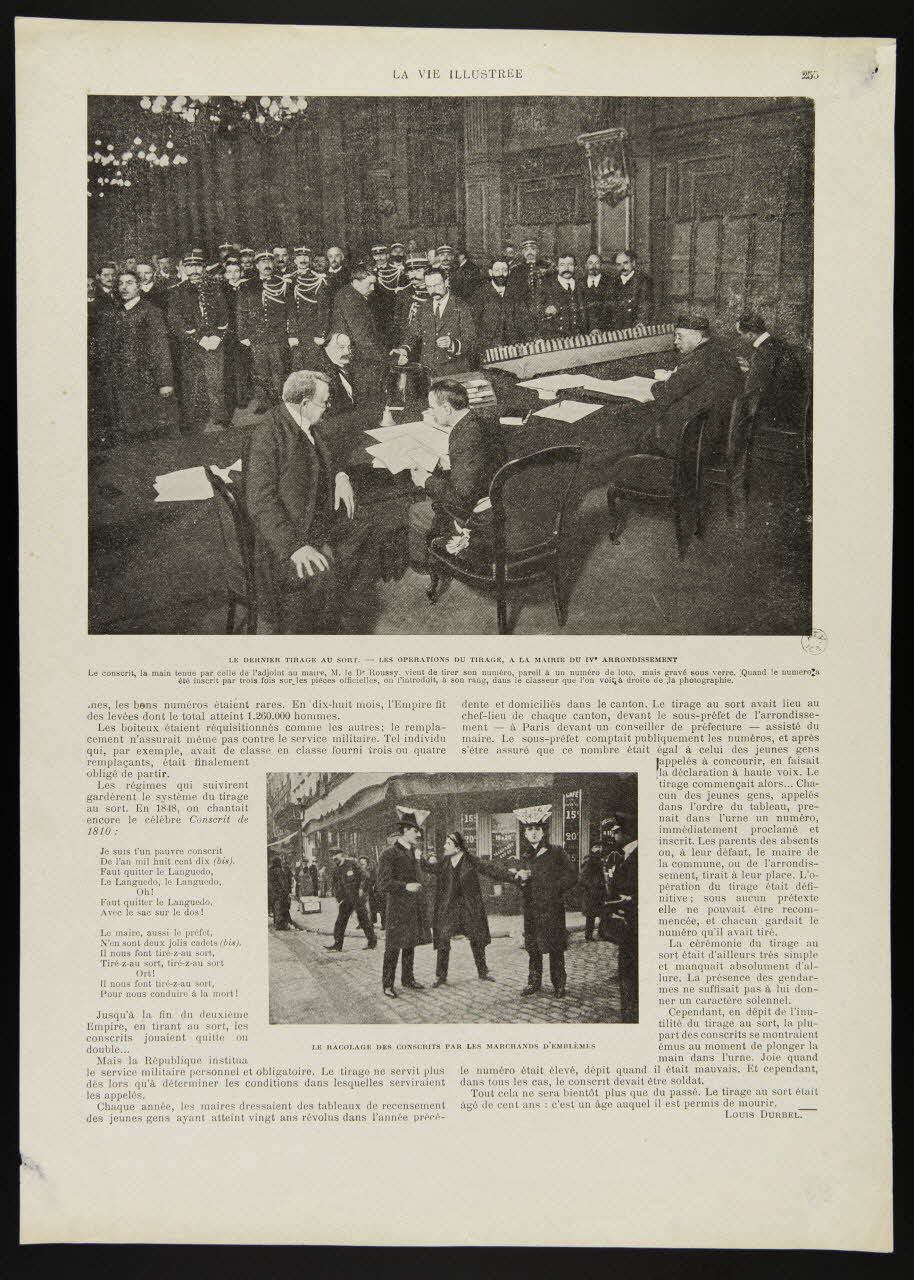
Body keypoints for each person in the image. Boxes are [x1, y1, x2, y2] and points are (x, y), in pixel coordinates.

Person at [243, 369, 373, 634]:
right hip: (287, 537)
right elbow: (260, 502)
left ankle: (341, 606)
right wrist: (294, 547)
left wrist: (340, 476)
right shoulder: (267, 435)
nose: (328, 407)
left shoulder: (305, 421)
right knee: (321, 574)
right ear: (303, 403)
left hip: (313, 518)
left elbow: (327, 452)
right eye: (324, 402)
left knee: (364, 526)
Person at [408, 378, 507, 564]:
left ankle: (420, 570)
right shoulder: (481, 420)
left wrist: (425, 481)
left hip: (480, 512)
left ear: (446, 408)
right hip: (496, 497)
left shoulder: (464, 436)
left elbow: (460, 497)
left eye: (432, 408)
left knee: (416, 511)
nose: (431, 413)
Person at [643, 315, 744, 461]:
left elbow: (666, 393)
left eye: (680, 336)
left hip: (699, 439)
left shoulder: (699, 359)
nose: (675, 342)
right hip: (722, 432)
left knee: (644, 435)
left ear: (697, 338)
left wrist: (656, 384)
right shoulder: (723, 352)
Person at [424, 832, 508, 986]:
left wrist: (513, 876)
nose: (444, 846)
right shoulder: (445, 862)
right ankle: (441, 976)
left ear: (458, 847)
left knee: (476, 938)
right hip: (449, 909)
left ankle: (483, 971)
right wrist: (417, 858)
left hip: (468, 908)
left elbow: (490, 869)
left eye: (448, 844)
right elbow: (430, 868)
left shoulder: (470, 860)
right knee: (443, 938)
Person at [512, 806, 577, 997]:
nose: (533, 833)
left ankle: (559, 984)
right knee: (533, 947)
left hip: (552, 908)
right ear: (525, 833)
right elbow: (521, 882)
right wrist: (520, 879)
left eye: (537, 829)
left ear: (543, 832)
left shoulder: (556, 851)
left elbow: (572, 875)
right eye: (529, 829)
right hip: (532, 909)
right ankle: (534, 982)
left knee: (555, 947)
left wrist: (554, 889)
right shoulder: (524, 856)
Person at [104, 271, 176, 443]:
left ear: (139, 286)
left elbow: (161, 347)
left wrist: (165, 381)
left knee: (147, 429)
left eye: (129, 282)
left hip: (145, 380)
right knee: (128, 429)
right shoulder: (117, 312)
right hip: (122, 380)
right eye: (121, 283)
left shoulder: (151, 311)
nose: (124, 287)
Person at [167, 251, 231, 433]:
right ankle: (190, 419)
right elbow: (175, 321)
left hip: (215, 343)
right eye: (190, 266)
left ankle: (220, 416)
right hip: (191, 345)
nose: (194, 270)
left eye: (198, 266)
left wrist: (218, 337)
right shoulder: (177, 291)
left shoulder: (215, 288)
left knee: (216, 381)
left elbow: (224, 314)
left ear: (203, 268)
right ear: (184, 268)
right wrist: (198, 339)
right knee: (191, 383)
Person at [377, 810, 432, 998]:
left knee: (410, 944)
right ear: (406, 831)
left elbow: (426, 871)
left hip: (413, 908)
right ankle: (387, 984)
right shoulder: (389, 854)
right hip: (397, 909)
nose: (419, 835)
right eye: (416, 831)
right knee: (393, 947)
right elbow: (383, 884)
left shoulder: (414, 853)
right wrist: (405, 886)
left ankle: (407, 979)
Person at [236, 252, 294, 412]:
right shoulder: (246, 286)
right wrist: (243, 335)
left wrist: (291, 333)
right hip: (257, 336)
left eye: (269, 261)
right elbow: (242, 312)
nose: (267, 265)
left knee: (278, 369)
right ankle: (264, 402)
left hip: (278, 335)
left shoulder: (283, 284)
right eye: (262, 262)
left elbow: (290, 310)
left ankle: (279, 402)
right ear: (256, 266)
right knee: (260, 371)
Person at [393, 268, 477, 378]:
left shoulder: (461, 306)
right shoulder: (424, 308)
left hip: (454, 371)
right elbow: (413, 334)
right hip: (428, 372)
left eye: (437, 285)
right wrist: (404, 349)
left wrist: (453, 344)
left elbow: (472, 339)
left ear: (446, 282)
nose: (433, 290)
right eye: (429, 287)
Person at [735, 314, 807, 436]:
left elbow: (752, 389)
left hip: (779, 414)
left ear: (751, 335)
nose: (739, 338)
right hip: (795, 407)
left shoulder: (761, 353)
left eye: (740, 334)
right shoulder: (777, 343)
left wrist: (744, 375)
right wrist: (751, 369)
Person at [329, 266, 387, 413]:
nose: (373, 288)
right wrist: (384, 358)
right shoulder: (351, 299)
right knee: (368, 402)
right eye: (370, 284)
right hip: (362, 359)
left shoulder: (352, 294)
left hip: (361, 357)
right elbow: (362, 336)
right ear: (356, 282)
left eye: (374, 283)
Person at [608, 821, 638, 1021]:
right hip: (628, 922)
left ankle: (631, 1016)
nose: (614, 836)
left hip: (634, 923)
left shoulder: (636, 856)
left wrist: (630, 899)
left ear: (626, 833)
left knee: (631, 972)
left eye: (617, 832)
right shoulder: (625, 855)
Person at [325, 848, 378, 951]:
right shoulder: (336, 870)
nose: (334, 857)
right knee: (340, 922)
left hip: (357, 897)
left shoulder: (352, 864)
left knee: (364, 920)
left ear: (342, 854)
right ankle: (337, 944)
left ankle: (372, 942)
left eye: (336, 855)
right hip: (345, 899)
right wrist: (338, 898)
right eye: (332, 855)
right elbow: (335, 886)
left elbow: (365, 876)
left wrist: (362, 889)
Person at [288, 248, 331, 363]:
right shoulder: (288, 279)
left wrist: (321, 334)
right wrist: (292, 333)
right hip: (292, 333)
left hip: (311, 332)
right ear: (294, 260)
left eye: (306, 257)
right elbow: (289, 308)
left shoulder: (318, 280)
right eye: (299, 257)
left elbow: (323, 310)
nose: (303, 259)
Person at [472, 258, 529, 347]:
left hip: (513, 345)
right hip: (489, 346)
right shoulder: (480, 294)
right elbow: (474, 324)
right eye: (497, 270)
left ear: (509, 272)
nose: (501, 274)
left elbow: (525, 320)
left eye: (504, 270)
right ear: (490, 272)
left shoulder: (516, 293)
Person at [540, 253, 587, 337]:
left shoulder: (582, 286)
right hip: (557, 340)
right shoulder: (546, 286)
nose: (566, 268)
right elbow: (537, 311)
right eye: (562, 265)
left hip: (580, 338)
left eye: (570, 264)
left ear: (575, 267)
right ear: (557, 268)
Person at [609, 249, 653, 327]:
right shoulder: (613, 281)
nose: (622, 267)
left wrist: (641, 322)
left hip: (635, 326)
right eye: (619, 264)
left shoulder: (643, 280)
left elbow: (645, 303)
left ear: (633, 263)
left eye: (625, 263)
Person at [579, 842, 609, 942]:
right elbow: (583, 877)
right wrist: (591, 888)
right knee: (591, 915)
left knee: (603, 912)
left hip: (599, 891)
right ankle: (588, 935)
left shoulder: (599, 859)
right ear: (591, 848)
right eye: (596, 847)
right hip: (591, 892)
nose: (599, 849)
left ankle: (602, 932)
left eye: (600, 847)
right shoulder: (589, 859)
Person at [582, 252, 612, 332]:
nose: (594, 266)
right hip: (584, 331)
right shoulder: (579, 283)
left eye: (597, 263)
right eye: (590, 263)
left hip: (606, 330)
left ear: (601, 265)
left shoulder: (610, 283)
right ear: (585, 265)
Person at [268, 856, 296, 931]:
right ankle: (280, 925)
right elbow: (283, 883)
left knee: (275, 909)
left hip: (272, 894)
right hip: (279, 894)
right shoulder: (279, 871)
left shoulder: (269, 871)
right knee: (280, 908)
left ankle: (276, 922)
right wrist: (286, 891)